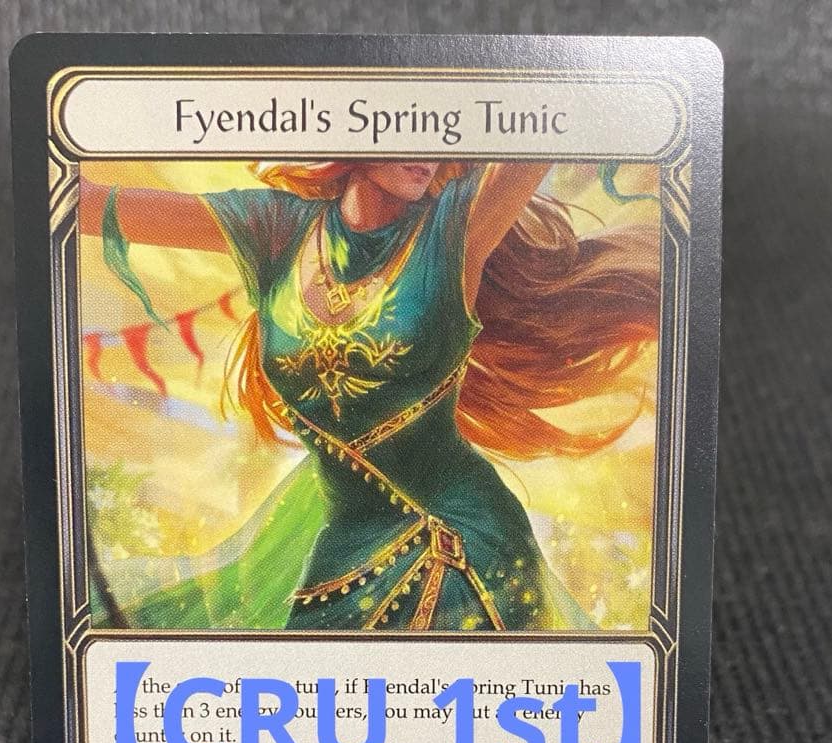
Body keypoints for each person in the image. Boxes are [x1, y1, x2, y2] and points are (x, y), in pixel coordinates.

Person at [79, 160, 659, 632]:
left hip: (462, 546)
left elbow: (541, 129)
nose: (423, 151)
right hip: (341, 539)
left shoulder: (456, 228)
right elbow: (83, 205)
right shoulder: (273, 228)